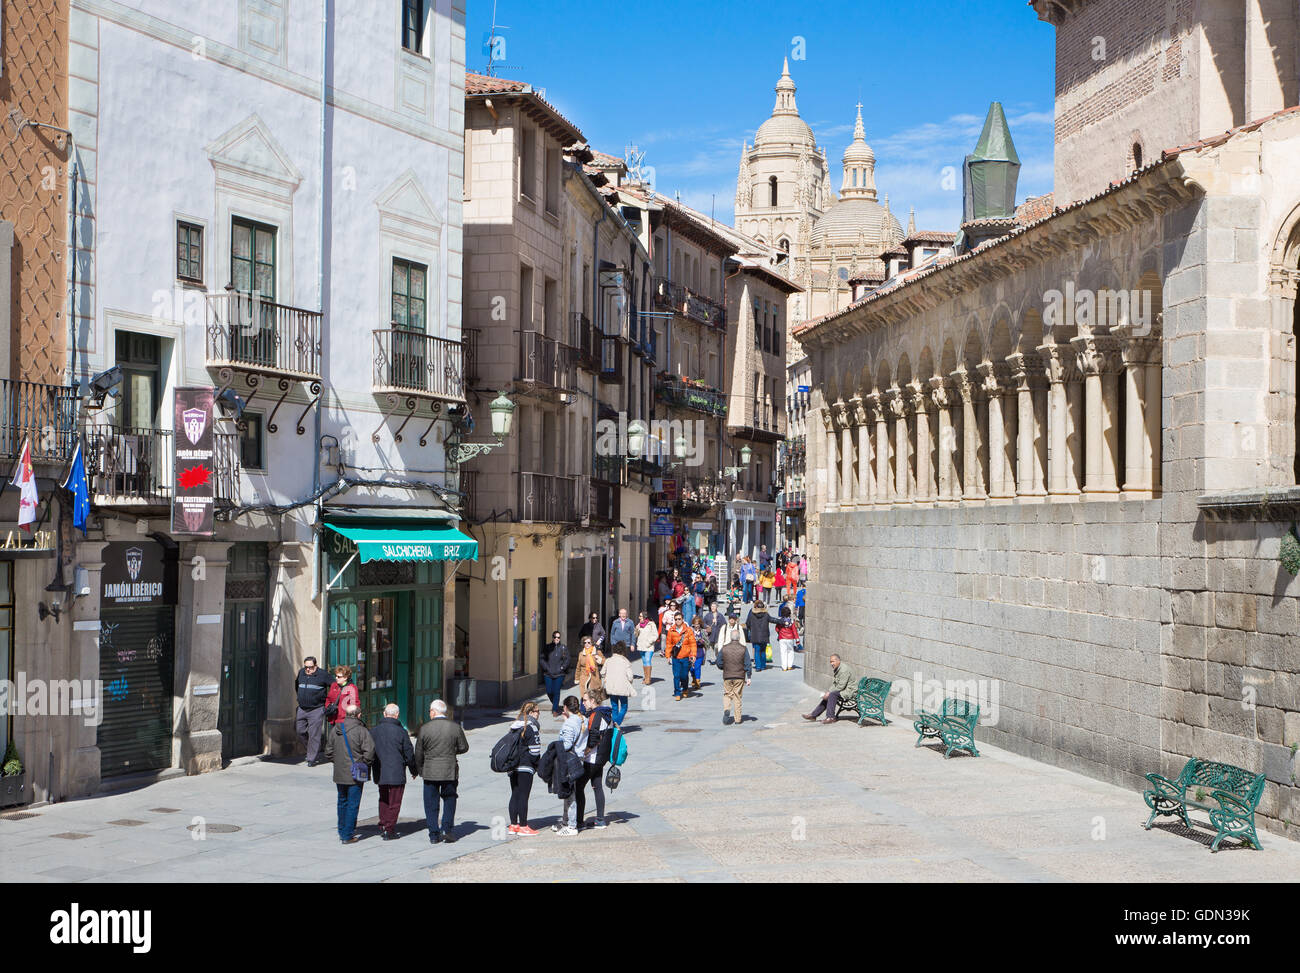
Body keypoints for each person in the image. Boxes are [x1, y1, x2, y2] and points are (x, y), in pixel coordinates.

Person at [414, 699, 469, 843]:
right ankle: (447, 829)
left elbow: (418, 752)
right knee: (450, 799)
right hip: (449, 770)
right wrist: (452, 751)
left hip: (430, 771)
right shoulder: (454, 727)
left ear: (433, 712)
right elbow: (464, 747)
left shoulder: (424, 728)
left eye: (429, 711)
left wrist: (420, 769)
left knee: (431, 803)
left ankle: (433, 834)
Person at [324, 703, 374, 844]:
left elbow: (328, 752)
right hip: (356, 773)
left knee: (342, 802)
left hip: (340, 772)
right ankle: (347, 834)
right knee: (353, 803)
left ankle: (342, 830)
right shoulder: (361, 730)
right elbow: (369, 752)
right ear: (359, 715)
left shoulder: (336, 729)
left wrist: (338, 762)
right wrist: (363, 763)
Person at [370, 702, 417, 840]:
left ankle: (383, 824)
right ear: (397, 715)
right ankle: (389, 829)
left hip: (380, 770)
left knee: (383, 798)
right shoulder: (401, 732)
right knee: (395, 801)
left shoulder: (374, 731)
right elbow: (409, 753)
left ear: (384, 714)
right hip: (396, 772)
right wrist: (414, 770)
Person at [575, 689, 613, 830]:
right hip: (602, 757)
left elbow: (594, 736)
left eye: (585, 700)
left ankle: (579, 821)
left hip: (593, 758)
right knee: (597, 786)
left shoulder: (596, 714)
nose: (583, 703)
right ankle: (600, 819)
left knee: (578, 786)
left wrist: (586, 750)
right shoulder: (606, 713)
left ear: (593, 701)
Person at [507, 701, 542, 836]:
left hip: (513, 766)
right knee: (523, 796)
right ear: (532, 713)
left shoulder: (514, 726)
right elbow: (535, 750)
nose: (539, 714)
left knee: (515, 794)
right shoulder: (531, 727)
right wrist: (536, 764)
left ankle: (513, 825)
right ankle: (523, 826)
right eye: (538, 711)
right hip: (525, 766)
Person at [554, 696, 586, 836]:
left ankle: (571, 826)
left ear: (565, 708)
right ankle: (566, 822)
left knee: (570, 793)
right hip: (580, 758)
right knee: (570, 791)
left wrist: (557, 743)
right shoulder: (582, 719)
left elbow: (566, 744)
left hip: (570, 760)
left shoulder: (569, 724)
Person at [294, 655, 333, 766]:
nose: (308, 669)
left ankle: (311, 758)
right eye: (306, 667)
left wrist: (329, 703)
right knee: (300, 731)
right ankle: (312, 749)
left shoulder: (323, 675)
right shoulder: (301, 672)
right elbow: (297, 686)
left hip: (316, 709)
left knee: (314, 734)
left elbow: (334, 687)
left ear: (315, 666)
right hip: (302, 708)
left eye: (310, 667)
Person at [717, 613, 752, 725]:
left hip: (727, 675)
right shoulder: (743, 649)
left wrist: (723, 667)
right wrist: (749, 676)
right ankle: (737, 719)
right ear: (740, 637)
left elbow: (718, 662)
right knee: (737, 696)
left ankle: (727, 709)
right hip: (739, 676)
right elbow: (747, 663)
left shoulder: (725, 648)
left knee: (727, 694)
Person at [803, 654, 856, 724]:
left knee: (832, 694)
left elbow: (841, 686)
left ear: (838, 661)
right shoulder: (839, 668)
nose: (831, 664)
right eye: (830, 662)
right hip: (844, 689)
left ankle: (831, 717)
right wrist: (828, 692)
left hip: (849, 691)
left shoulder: (843, 670)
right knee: (829, 695)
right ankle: (814, 715)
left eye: (833, 661)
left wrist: (829, 693)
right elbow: (835, 684)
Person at [664, 610, 697, 700]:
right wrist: (668, 656)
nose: (678, 620)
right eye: (676, 619)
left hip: (685, 657)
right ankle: (677, 692)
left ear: (682, 620)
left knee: (684, 675)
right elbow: (669, 644)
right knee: (676, 676)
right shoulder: (671, 630)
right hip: (675, 657)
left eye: (679, 619)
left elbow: (693, 643)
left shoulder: (688, 630)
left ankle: (685, 688)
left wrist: (693, 654)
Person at [601, 646, 636, 726]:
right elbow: (630, 676)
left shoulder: (608, 660)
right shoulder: (625, 662)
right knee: (624, 706)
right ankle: (617, 723)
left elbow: (602, 672)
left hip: (611, 687)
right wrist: (629, 682)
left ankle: (614, 724)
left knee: (614, 707)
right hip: (622, 687)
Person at [541, 631, 569, 717]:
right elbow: (542, 659)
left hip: (559, 674)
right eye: (555, 637)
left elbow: (567, 660)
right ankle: (556, 705)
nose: (557, 639)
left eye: (558, 637)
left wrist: (562, 668)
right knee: (549, 691)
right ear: (552, 638)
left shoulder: (563, 648)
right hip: (548, 673)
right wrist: (546, 667)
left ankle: (555, 710)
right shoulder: (547, 647)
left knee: (556, 691)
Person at [745, 600, 771, 672]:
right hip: (764, 635)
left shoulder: (752, 614)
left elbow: (747, 623)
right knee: (763, 651)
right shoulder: (766, 614)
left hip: (755, 635)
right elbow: (772, 620)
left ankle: (758, 666)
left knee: (757, 651)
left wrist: (751, 628)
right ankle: (763, 665)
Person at [635, 610, 658, 687]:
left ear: (645, 617)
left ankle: (648, 679)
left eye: (640, 616)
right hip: (641, 646)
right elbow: (636, 635)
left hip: (649, 646)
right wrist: (636, 629)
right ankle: (646, 678)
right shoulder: (639, 624)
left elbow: (656, 635)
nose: (639, 617)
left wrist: (649, 642)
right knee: (644, 662)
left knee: (648, 660)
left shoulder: (651, 624)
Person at [775, 602, 799, 671]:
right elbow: (794, 630)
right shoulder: (791, 621)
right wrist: (797, 639)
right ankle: (789, 665)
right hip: (790, 638)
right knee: (790, 651)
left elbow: (776, 628)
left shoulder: (780, 620)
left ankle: (784, 666)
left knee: (783, 652)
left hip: (782, 637)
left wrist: (779, 632)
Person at [689, 614, 708, 689]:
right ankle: (693, 678)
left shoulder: (703, 632)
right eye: (695, 624)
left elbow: (707, 643)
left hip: (700, 652)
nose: (697, 626)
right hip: (691, 652)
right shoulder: (690, 631)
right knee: (691, 668)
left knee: (697, 667)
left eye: (698, 624)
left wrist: (702, 641)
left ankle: (697, 681)